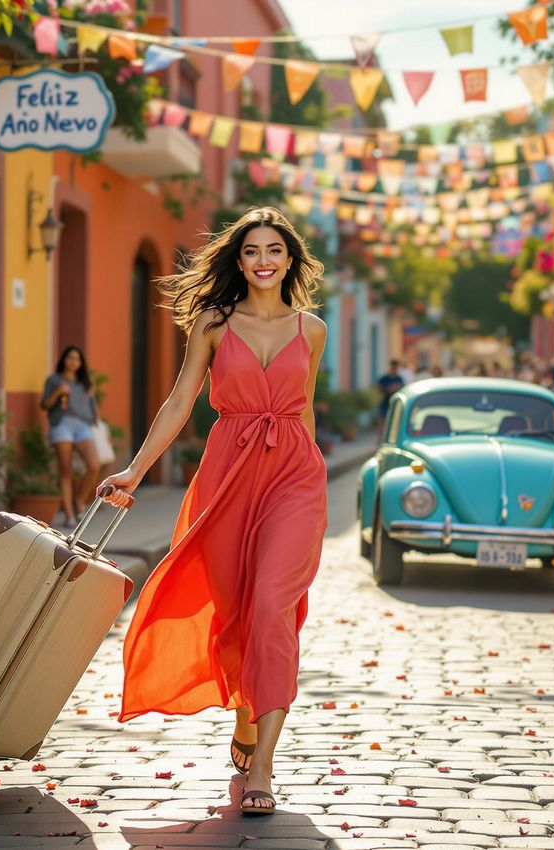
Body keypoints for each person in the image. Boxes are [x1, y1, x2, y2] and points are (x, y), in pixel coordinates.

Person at [96, 207, 328, 816]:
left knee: (274, 604)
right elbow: (179, 403)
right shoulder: (214, 322)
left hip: (294, 477)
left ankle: (265, 773)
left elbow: (304, 409)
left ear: (290, 259)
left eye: (274, 251)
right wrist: (134, 471)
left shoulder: (313, 329)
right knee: (233, 613)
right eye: (251, 251)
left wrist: (317, 472)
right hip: (227, 475)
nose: (262, 261)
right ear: (238, 259)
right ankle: (247, 713)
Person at [41, 345, 101, 526]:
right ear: (64, 360)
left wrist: (98, 424)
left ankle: (78, 501)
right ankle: (68, 515)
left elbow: (93, 409)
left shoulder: (85, 383)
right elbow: (45, 405)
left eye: (77, 359)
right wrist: (58, 393)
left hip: (83, 425)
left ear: (81, 363)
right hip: (62, 424)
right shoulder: (54, 380)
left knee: (94, 465)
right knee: (65, 471)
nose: (74, 362)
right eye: (70, 358)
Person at [377, 359, 405, 437]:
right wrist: (388, 389)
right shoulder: (384, 378)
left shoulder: (399, 379)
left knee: (396, 421)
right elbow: (379, 390)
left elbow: (402, 390)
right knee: (382, 420)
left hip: (395, 403)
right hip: (385, 402)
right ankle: (380, 438)